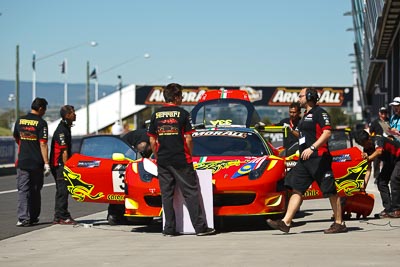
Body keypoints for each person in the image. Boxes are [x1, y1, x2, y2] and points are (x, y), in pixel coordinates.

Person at [267, 87, 347, 234]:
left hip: (319, 158)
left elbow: (327, 132)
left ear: (309, 96)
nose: (299, 99)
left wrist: (312, 147)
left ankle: (339, 223)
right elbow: (303, 135)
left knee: (330, 191)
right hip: (305, 160)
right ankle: (286, 222)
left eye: (301, 96)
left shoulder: (320, 113)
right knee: (296, 189)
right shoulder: (305, 115)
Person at [148, 83, 215, 236]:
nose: (182, 99)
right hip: (181, 159)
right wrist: (189, 155)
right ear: (177, 97)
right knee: (190, 193)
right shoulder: (183, 114)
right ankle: (200, 228)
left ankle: (169, 229)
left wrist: (158, 156)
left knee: (167, 195)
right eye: (182, 96)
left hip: (163, 160)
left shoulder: (156, 115)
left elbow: (152, 141)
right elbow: (189, 139)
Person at [13, 97, 50, 227]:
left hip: (23, 160)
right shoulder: (41, 123)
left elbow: (17, 138)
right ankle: (33, 217)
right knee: (35, 189)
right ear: (40, 109)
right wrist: (46, 162)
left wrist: (24, 148)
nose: (44, 112)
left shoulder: (20, 120)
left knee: (23, 190)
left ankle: (23, 218)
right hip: (36, 162)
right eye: (44, 109)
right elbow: (43, 144)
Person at [106, 125, 152, 225]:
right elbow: (141, 149)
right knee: (121, 191)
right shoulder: (146, 139)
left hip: (128, 151)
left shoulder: (151, 135)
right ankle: (114, 215)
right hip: (122, 154)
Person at [354, 129, 400, 218]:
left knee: (395, 179)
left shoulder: (378, 140)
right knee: (381, 182)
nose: (364, 146)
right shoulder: (366, 149)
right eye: (361, 145)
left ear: (369, 138)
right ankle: (388, 209)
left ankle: (397, 209)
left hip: (398, 158)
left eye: (364, 143)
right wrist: (363, 187)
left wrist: (368, 158)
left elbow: (379, 151)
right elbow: (368, 169)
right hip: (390, 162)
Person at [49, 105, 77, 225]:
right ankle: (62, 216)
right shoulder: (61, 130)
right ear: (67, 115)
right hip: (59, 164)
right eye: (72, 113)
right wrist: (67, 168)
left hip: (61, 164)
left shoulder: (66, 127)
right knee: (63, 190)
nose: (75, 114)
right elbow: (63, 150)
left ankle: (58, 216)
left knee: (62, 190)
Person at [368, 107, 390, 186]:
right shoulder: (375, 122)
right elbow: (371, 132)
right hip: (377, 144)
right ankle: (377, 177)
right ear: (379, 113)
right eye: (382, 113)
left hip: (387, 144)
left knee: (386, 161)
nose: (383, 115)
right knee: (377, 161)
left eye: (385, 113)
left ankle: (385, 176)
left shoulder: (389, 121)